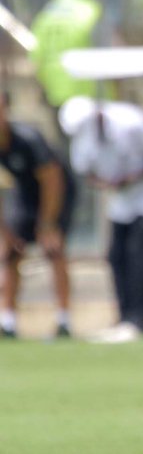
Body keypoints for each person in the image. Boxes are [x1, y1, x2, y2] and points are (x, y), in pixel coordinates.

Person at [60, 95, 143, 342]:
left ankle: (141, 321)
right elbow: (87, 171)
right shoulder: (82, 136)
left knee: (141, 256)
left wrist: (131, 179)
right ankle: (124, 317)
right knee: (116, 255)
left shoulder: (131, 122)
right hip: (121, 198)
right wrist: (107, 183)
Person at [0, 89, 74, 338]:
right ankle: (7, 321)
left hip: (56, 194)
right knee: (10, 254)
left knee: (54, 251)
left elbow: (52, 181)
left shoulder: (28, 139)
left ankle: (64, 320)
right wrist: (5, 232)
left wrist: (48, 224)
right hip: (25, 195)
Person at [31, 0, 112, 136]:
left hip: (57, 95)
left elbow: (36, 58)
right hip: (92, 96)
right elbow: (112, 53)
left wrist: (41, 89)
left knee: (66, 157)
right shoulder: (92, 11)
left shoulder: (46, 14)